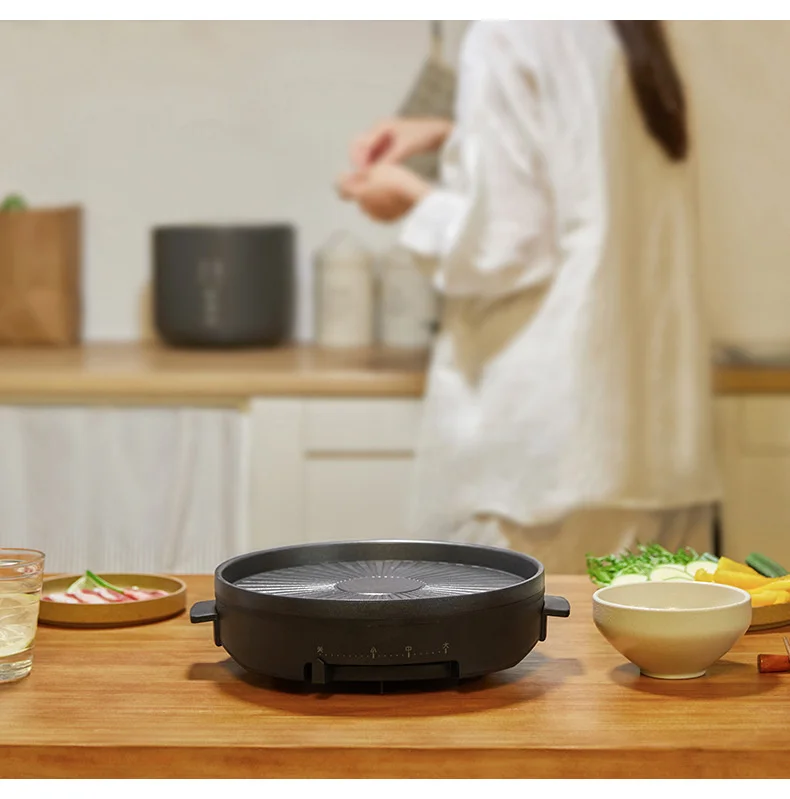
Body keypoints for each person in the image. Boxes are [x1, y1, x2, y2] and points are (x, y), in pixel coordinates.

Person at [337, 21, 720, 574]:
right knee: (643, 630)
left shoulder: (509, 29)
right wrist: (458, 133)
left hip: (545, 467)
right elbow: (586, 159)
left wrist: (411, 200)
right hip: (657, 453)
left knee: (528, 633)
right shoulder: (631, 29)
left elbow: (503, 246)